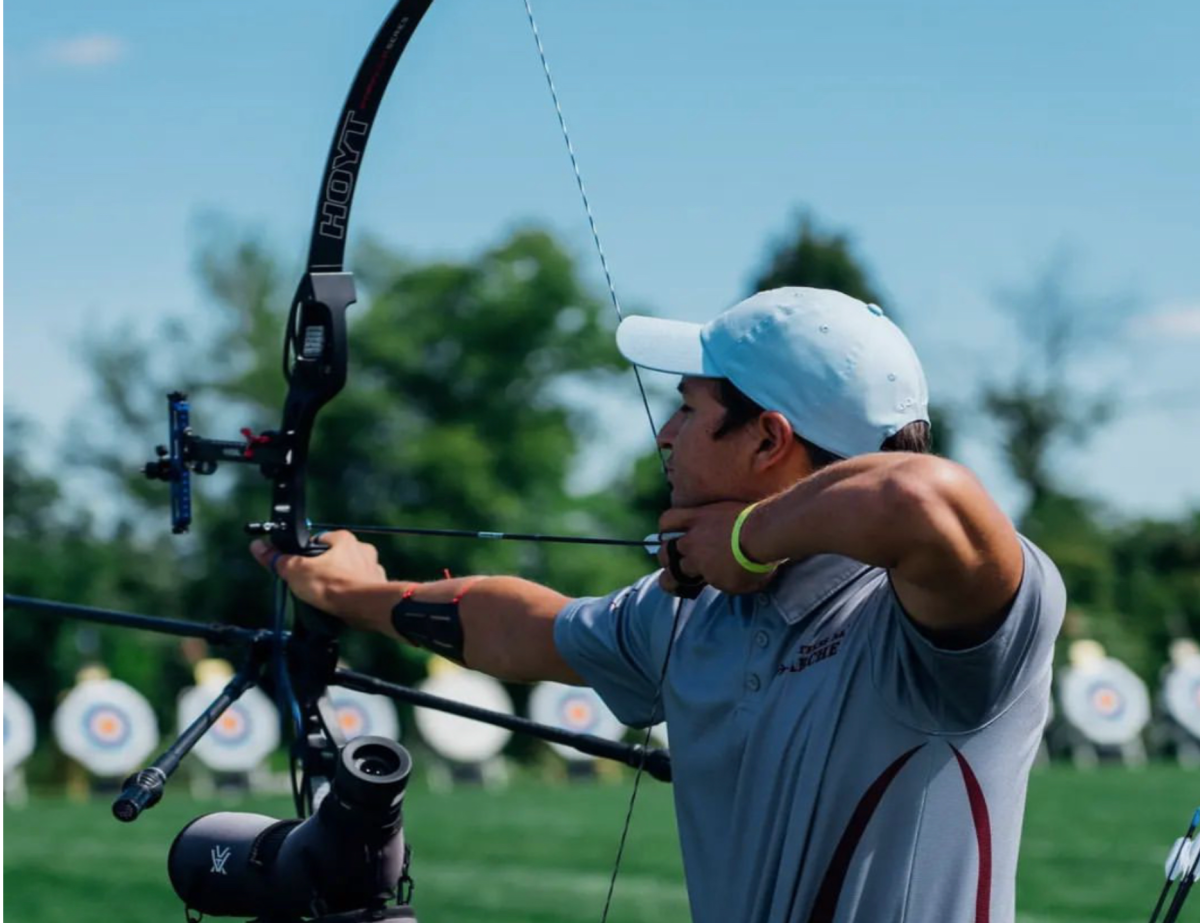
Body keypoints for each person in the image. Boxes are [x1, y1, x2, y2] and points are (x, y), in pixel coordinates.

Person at [252, 286, 1066, 923]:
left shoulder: (938, 621)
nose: (663, 433)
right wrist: (360, 593)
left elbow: (923, 497)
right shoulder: (691, 611)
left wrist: (748, 539)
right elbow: (529, 625)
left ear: (767, 439)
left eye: (690, 406)